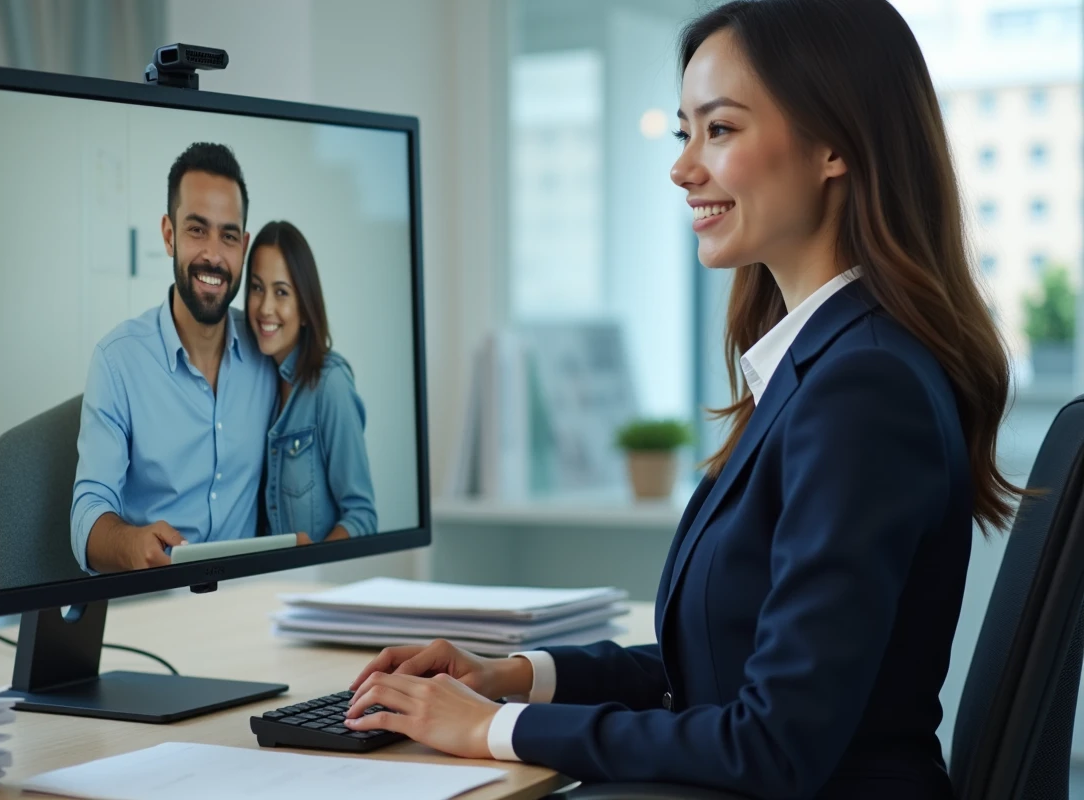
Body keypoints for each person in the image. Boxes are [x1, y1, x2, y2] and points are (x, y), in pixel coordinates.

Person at [340, 1, 1024, 796]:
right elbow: (722, 660)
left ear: (835, 144)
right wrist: (512, 677)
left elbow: (772, 741)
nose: (683, 167)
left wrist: (487, 729)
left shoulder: (862, 389)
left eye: (720, 130)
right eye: (684, 132)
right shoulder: (826, 367)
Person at [70, 143, 277, 573]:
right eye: (197, 230)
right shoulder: (118, 361)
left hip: (246, 609)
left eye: (229, 235)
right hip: (155, 611)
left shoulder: (267, 352)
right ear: (169, 235)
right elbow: (87, 513)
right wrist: (130, 543)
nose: (214, 256)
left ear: (245, 246)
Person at [245, 220, 377, 544]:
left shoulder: (330, 386)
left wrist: (311, 562)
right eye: (257, 287)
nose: (266, 308)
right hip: (261, 586)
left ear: (304, 308)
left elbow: (362, 517)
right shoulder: (253, 379)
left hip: (311, 587)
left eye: (281, 292)